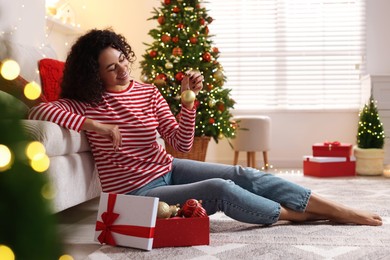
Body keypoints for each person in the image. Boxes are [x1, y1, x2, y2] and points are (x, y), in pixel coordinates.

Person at [29, 28, 382, 226]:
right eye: (111, 68)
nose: (123, 70)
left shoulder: (147, 92)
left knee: (241, 172)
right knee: (219, 188)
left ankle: (331, 208)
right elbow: (41, 114)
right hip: (135, 195)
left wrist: (187, 102)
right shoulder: (86, 102)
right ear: (94, 74)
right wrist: (95, 124)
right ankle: (292, 214)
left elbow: (180, 143)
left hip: (167, 168)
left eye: (122, 60)